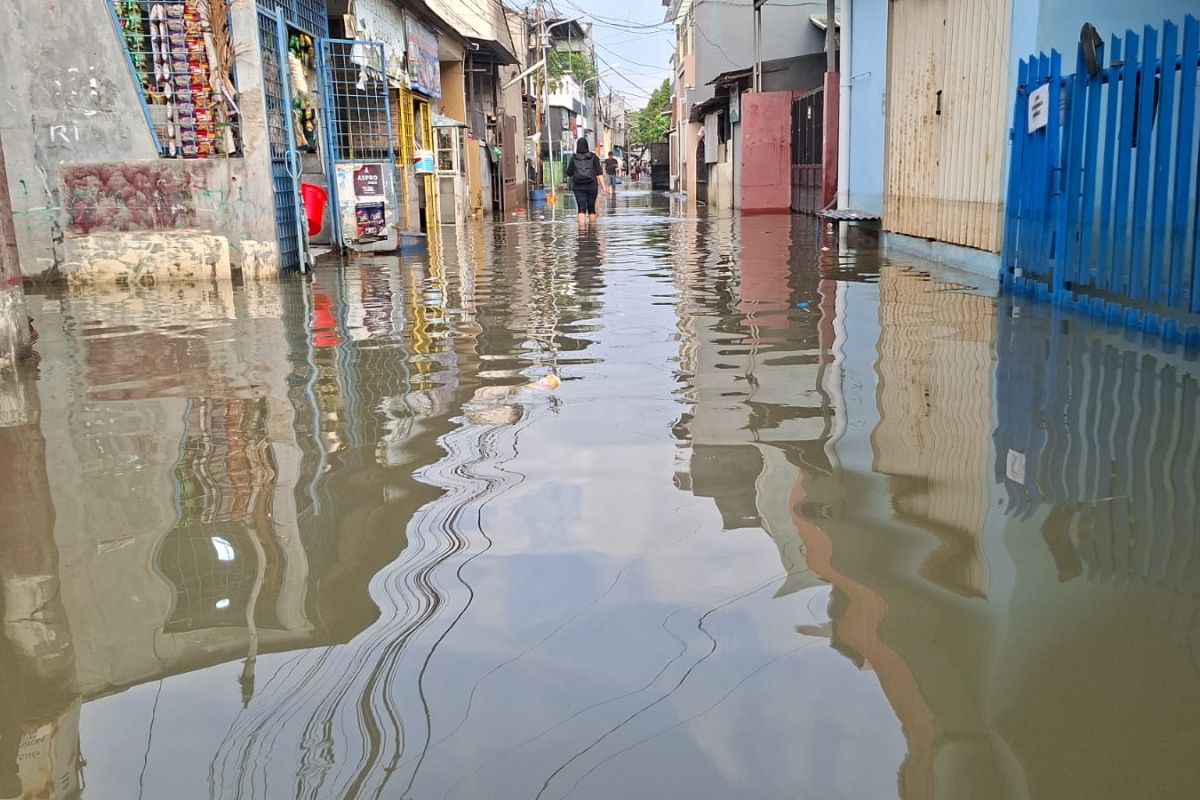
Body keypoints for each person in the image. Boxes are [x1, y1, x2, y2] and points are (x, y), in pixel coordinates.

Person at [566, 138, 604, 225]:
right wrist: (604, 187)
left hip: (578, 187)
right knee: (591, 208)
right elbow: (599, 172)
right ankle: (593, 230)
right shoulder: (593, 157)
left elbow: (569, 173)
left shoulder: (574, 158)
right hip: (592, 186)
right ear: (587, 145)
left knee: (581, 208)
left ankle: (582, 231)